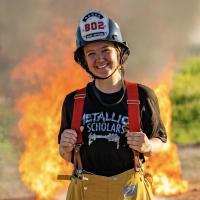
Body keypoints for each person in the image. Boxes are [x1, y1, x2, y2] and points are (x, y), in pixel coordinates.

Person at [58, 9, 167, 200]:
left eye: (106, 50)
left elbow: (161, 141)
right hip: (85, 190)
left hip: (130, 190)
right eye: (91, 53)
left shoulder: (142, 95)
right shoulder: (73, 101)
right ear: (83, 60)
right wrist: (65, 148)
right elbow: (67, 155)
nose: (99, 58)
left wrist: (148, 146)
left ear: (119, 52)